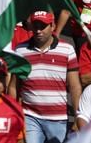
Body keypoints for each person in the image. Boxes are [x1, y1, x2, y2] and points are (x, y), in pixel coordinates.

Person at [9, 11, 82, 143]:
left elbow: (74, 86)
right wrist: (11, 114)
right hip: (30, 116)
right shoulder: (20, 50)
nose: (38, 30)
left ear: (52, 26)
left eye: (42, 26)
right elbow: (14, 85)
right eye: (35, 26)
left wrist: (78, 115)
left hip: (58, 118)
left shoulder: (67, 49)